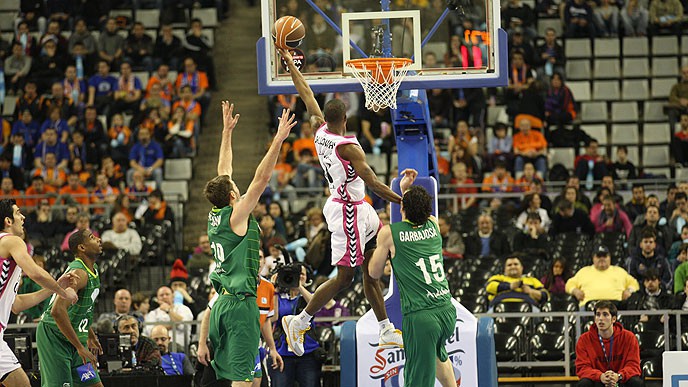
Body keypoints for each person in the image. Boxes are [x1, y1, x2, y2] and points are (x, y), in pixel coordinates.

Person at [278, 48, 404, 357]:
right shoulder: (349, 148)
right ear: (345, 119)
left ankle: (386, 329)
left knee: (373, 268)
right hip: (347, 209)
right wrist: (404, 201)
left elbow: (306, 93)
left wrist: (291, 65)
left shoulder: (319, 129)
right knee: (346, 278)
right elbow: (373, 183)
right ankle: (300, 320)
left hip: (361, 209)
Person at [202, 100, 295, 386]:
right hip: (240, 306)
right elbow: (262, 178)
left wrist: (226, 132)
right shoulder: (237, 215)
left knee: (254, 379)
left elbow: (224, 167)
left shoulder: (216, 213)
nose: (238, 188)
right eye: (234, 189)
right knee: (242, 382)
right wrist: (278, 139)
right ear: (232, 196)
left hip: (226, 302)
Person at [368, 174, 458, 387]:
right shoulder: (434, 225)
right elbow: (416, 210)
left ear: (402, 209)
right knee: (438, 357)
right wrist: (405, 190)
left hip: (421, 317)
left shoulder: (389, 234)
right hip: (446, 310)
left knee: (416, 379)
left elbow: (373, 273)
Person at [0, 199, 78, 386]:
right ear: (8, 221)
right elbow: (34, 272)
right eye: (18, 213)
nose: (23, 217)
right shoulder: (11, 241)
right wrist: (63, 292)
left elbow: (16, 304)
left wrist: (52, 289)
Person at [36, 229, 104, 387]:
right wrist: (80, 347)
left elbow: (82, 308)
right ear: (82, 247)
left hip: (73, 339)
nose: (99, 239)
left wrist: (89, 333)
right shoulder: (79, 273)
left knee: (93, 385)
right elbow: (57, 311)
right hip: (55, 337)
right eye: (92, 238)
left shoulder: (93, 269)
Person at [575, 301, 643, 387]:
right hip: (597, 380)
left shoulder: (629, 337)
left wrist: (618, 376)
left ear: (613, 319)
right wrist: (600, 376)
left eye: (605, 315)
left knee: (637, 383)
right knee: (584, 384)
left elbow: (633, 365)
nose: (600, 318)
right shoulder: (584, 339)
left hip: (620, 380)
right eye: (598, 315)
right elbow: (583, 368)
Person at [566, 245, 639, 307]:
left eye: (604, 256)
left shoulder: (620, 271)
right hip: (589, 308)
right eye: (598, 256)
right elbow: (569, 284)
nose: (602, 258)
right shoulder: (584, 271)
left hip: (615, 307)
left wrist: (629, 290)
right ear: (593, 258)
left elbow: (634, 283)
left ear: (609, 257)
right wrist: (575, 291)